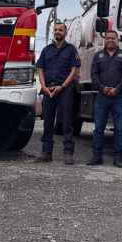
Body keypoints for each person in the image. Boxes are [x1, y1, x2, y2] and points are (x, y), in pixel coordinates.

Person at [35, 22, 80, 164]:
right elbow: (41, 70)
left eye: (60, 30)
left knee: (67, 121)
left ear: (65, 33)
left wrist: (63, 86)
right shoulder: (46, 50)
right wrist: (44, 87)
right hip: (48, 90)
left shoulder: (71, 49)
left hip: (64, 90)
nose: (57, 32)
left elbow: (74, 70)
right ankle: (46, 153)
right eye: (55, 30)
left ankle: (68, 153)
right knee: (48, 122)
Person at [88, 30, 122, 168]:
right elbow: (94, 75)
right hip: (102, 97)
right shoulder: (98, 56)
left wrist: (117, 89)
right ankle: (97, 157)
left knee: (120, 129)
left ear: (117, 40)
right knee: (98, 128)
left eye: (113, 38)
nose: (110, 40)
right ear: (105, 40)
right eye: (107, 38)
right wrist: (103, 88)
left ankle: (118, 158)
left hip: (119, 97)